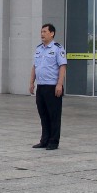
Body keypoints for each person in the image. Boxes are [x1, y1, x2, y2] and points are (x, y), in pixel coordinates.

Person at [29, 23, 66, 151]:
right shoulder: (39, 49)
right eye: (41, 32)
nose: (42, 34)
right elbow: (34, 67)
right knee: (43, 115)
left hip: (52, 87)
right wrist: (31, 82)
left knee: (53, 115)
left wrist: (59, 84)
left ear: (52, 33)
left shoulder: (57, 48)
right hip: (41, 86)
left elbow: (62, 66)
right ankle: (44, 140)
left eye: (45, 32)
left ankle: (53, 141)